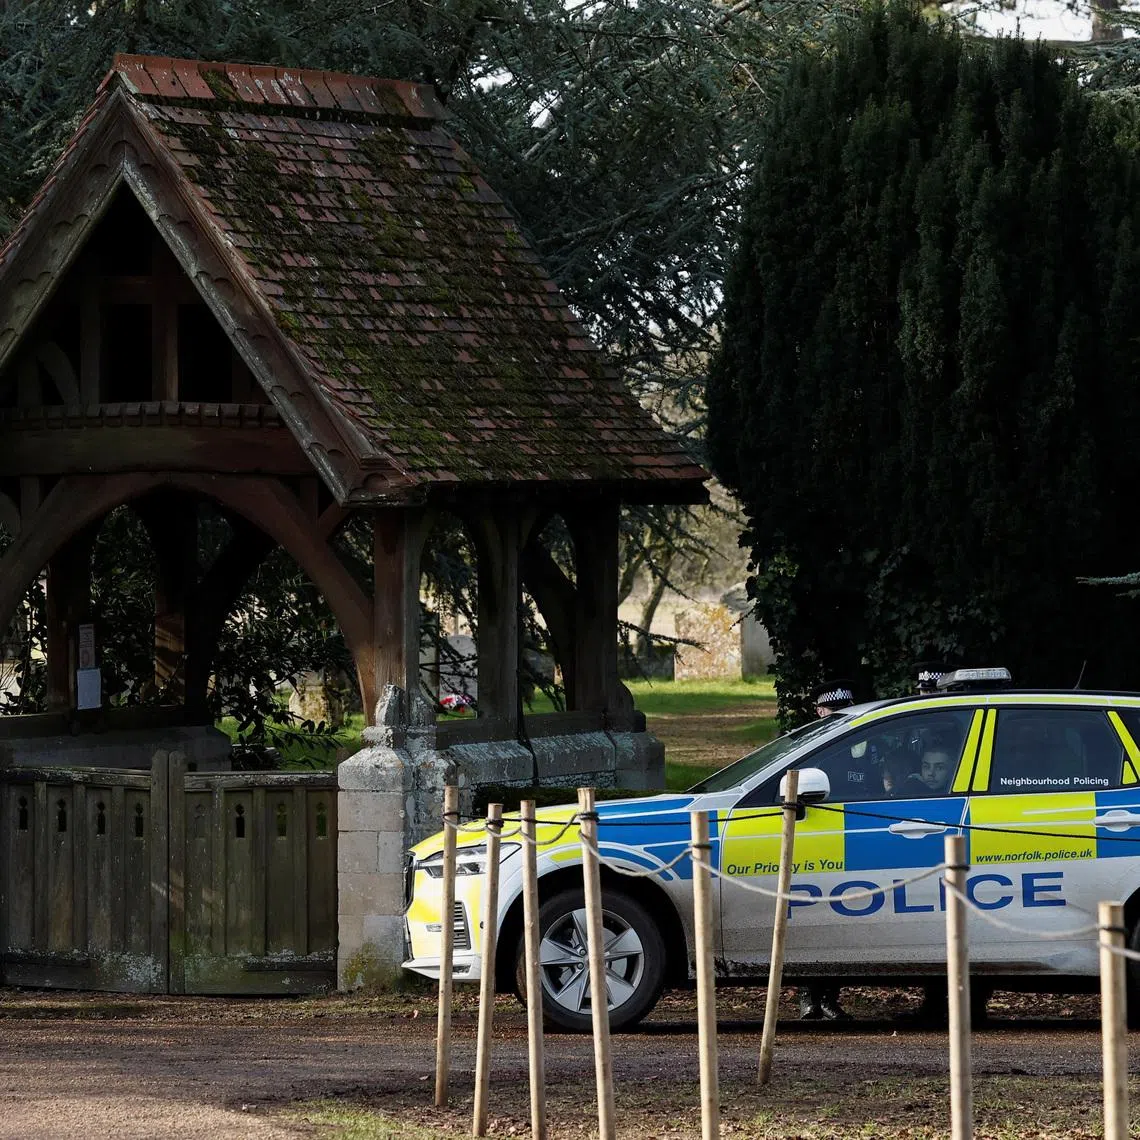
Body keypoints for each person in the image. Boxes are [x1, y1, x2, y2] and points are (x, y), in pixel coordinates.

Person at [799, 679, 856, 1022]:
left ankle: (830, 998)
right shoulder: (804, 751)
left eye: (842, 711)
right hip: (812, 845)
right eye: (830, 711)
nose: (836, 718)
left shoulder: (864, 748)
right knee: (811, 921)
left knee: (840, 924)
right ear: (819, 712)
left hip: (849, 842)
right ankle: (808, 996)